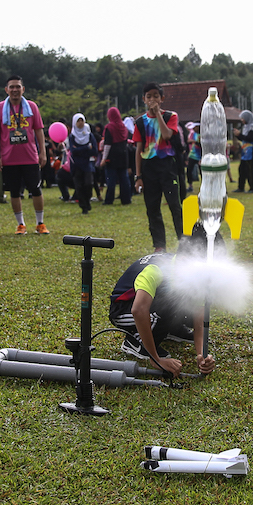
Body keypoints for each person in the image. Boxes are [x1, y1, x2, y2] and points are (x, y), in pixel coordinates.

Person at [108, 252, 215, 377]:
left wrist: (202, 355)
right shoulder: (156, 270)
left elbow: (200, 317)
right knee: (169, 301)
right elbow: (138, 310)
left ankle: (170, 329)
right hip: (123, 310)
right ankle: (135, 343)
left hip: (149, 304)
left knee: (183, 302)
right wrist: (156, 359)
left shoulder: (194, 273)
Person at [0, 76, 49, 235]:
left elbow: (38, 130)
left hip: (30, 157)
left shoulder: (31, 107)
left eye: (17, 87)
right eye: (11, 87)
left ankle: (40, 223)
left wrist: (42, 153)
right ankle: (21, 225)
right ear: (6, 89)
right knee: (14, 192)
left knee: (36, 190)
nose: (14, 90)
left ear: (23, 89)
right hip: (9, 159)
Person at [133, 82, 183, 253]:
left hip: (167, 167)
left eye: (156, 96)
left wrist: (158, 115)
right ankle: (159, 246)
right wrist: (138, 176)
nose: (152, 99)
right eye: (149, 96)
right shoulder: (140, 122)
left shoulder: (171, 116)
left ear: (162, 99)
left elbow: (167, 134)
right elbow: (139, 150)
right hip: (149, 168)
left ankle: (184, 243)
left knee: (175, 206)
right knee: (152, 208)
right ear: (144, 99)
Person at [100, 106, 132, 205]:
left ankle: (109, 200)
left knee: (111, 180)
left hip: (112, 156)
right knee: (124, 179)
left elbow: (107, 144)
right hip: (123, 155)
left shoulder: (109, 127)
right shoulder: (124, 127)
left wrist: (104, 158)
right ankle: (126, 199)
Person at [68, 113, 98, 214]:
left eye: (82, 120)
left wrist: (80, 150)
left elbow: (94, 150)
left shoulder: (89, 135)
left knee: (88, 184)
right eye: (78, 121)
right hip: (76, 165)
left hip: (88, 164)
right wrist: (86, 148)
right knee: (79, 186)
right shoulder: (72, 136)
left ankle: (87, 201)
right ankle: (83, 206)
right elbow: (73, 151)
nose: (80, 123)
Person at [234, 110, 253, 193]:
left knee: (250, 169)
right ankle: (241, 187)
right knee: (242, 169)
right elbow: (244, 138)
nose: (242, 120)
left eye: (243, 118)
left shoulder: (252, 127)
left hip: (252, 151)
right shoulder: (245, 127)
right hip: (245, 151)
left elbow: (250, 138)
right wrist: (238, 136)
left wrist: (240, 135)